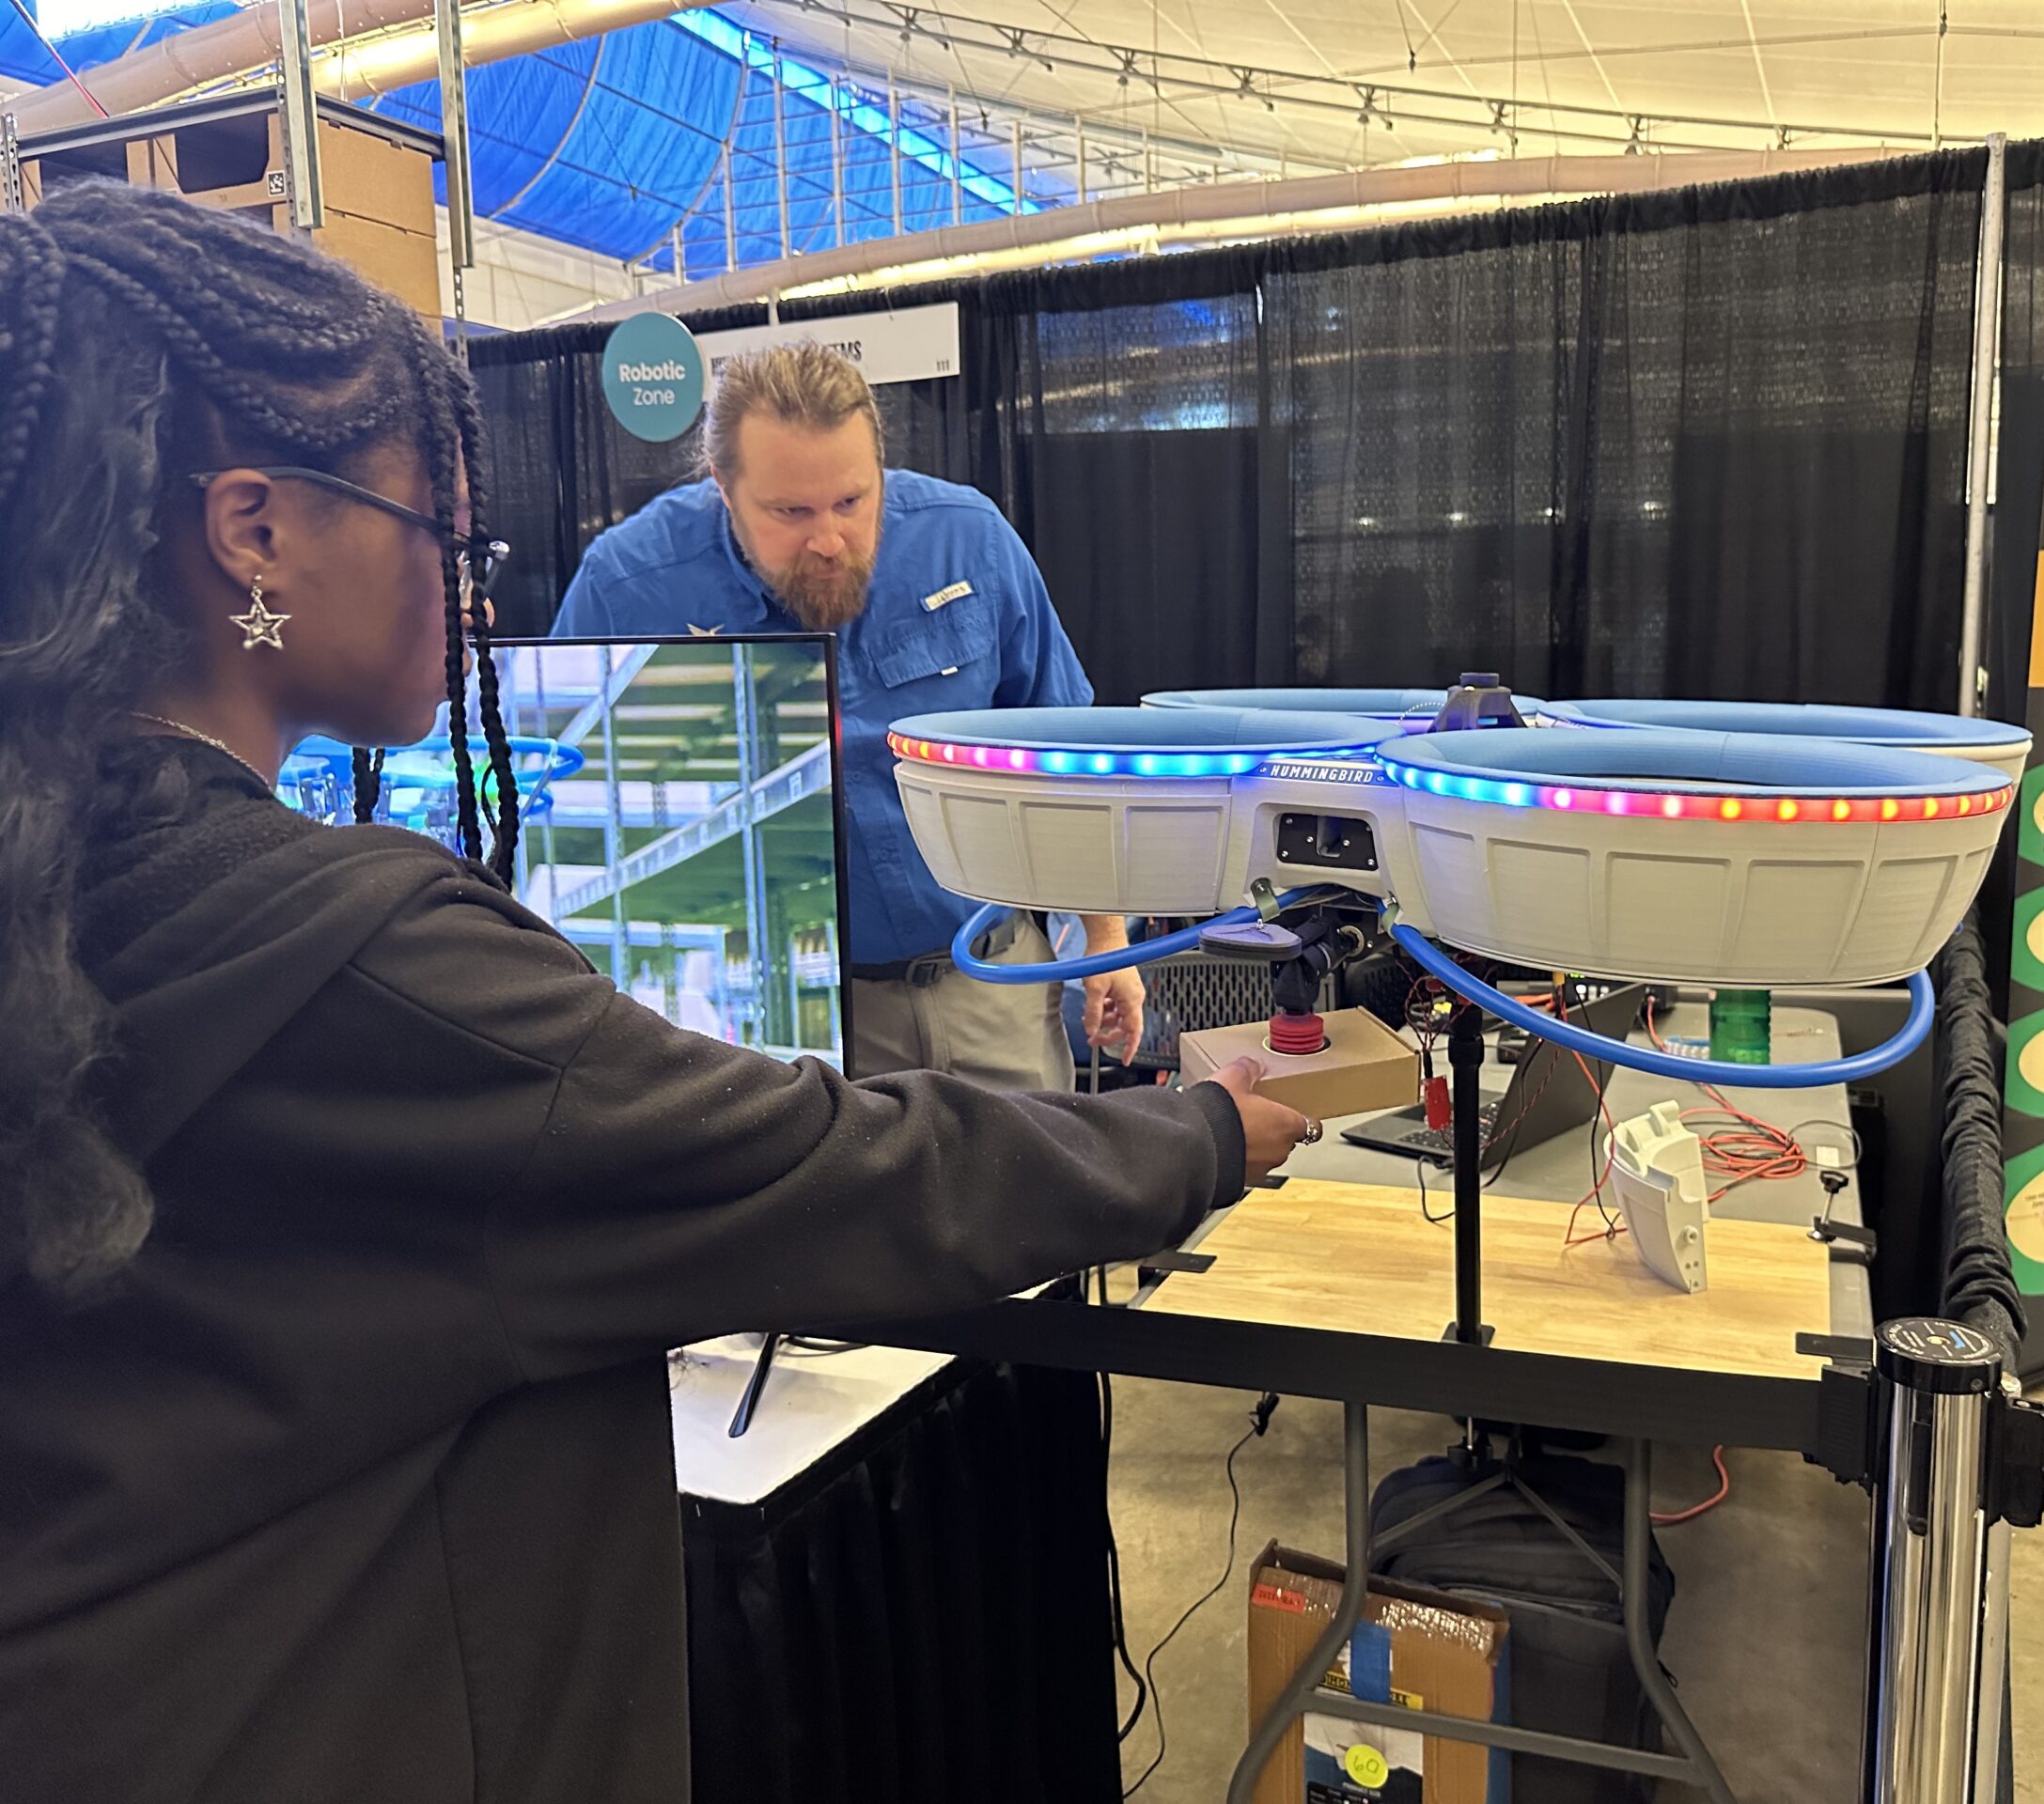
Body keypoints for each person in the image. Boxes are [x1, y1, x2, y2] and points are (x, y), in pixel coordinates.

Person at [0, 183, 1309, 1804]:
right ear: (254, 533)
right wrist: (1195, 1137)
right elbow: (837, 1176)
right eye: (437, 528)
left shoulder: (72, 886)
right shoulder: (367, 965)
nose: (468, 585)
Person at [554, 344, 1133, 1089]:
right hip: (798, 1025)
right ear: (722, 486)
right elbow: (560, 804)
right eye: (789, 512)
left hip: (994, 980)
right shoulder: (627, 586)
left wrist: (1106, 936)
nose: (827, 540)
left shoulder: (970, 541)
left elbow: (1067, 750)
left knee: (1035, 1194)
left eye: (852, 503)